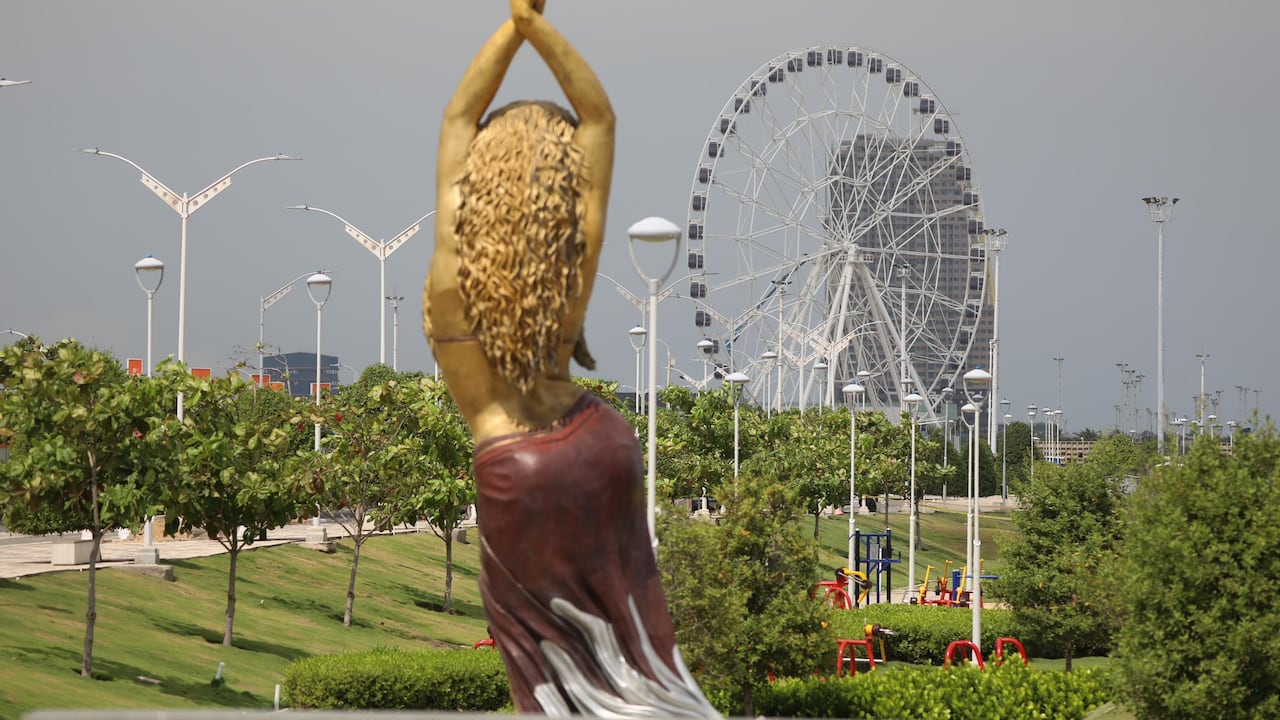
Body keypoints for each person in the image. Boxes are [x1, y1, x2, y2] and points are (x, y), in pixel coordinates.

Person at [423, 2, 715, 716]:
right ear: (557, 183)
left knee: (554, 681)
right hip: (598, 447)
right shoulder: (566, 276)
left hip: (514, 474)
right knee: (637, 658)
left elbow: (459, 119)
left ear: (482, 179)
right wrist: (539, 26)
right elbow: (601, 122)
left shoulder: (451, 278)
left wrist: (513, 25)